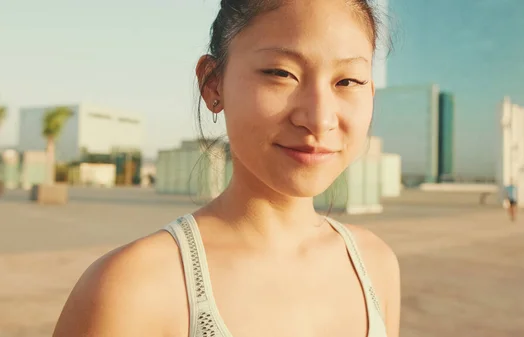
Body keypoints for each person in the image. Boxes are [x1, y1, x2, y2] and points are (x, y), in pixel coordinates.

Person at [52, 1, 401, 336]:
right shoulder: (133, 288)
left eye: (348, 81)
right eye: (281, 73)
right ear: (213, 83)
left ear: (370, 92)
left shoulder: (375, 265)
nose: (319, 119)